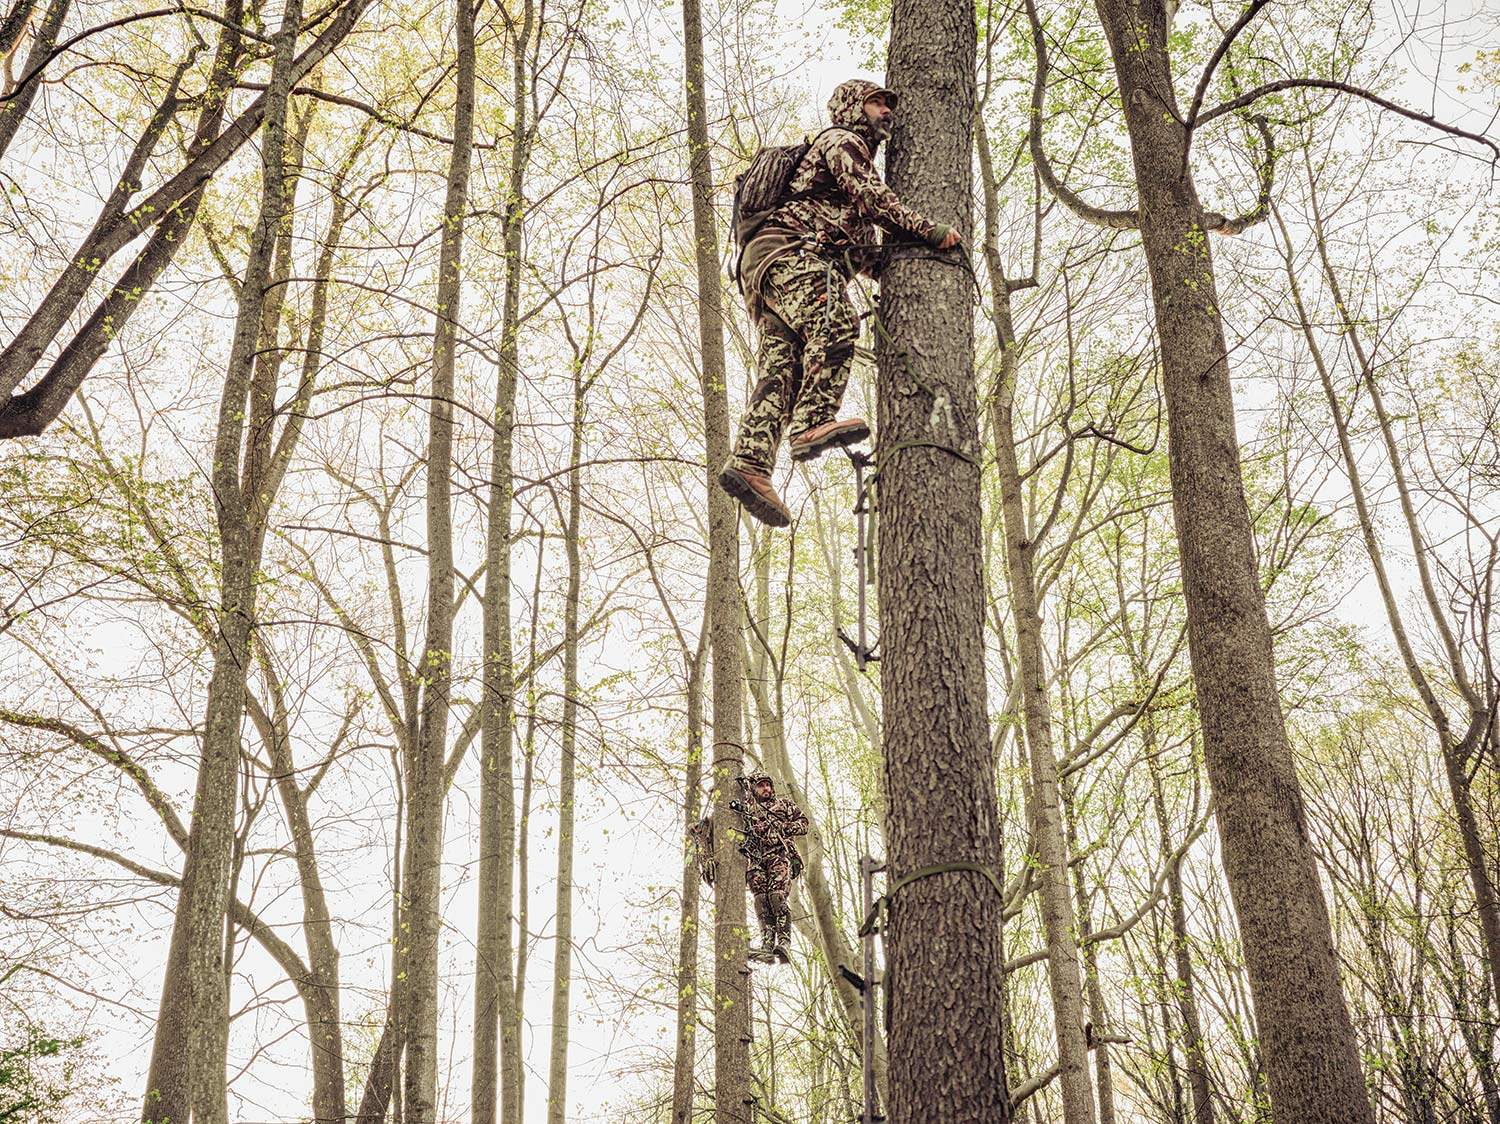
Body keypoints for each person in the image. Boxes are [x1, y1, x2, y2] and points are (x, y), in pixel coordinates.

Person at [718, 78, 963, 528]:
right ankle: (812, 422)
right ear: (853, 107)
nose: (885, 111)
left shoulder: (836, 189)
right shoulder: (841, 140)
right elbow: (874, 197)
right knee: (836, 321)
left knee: (781, 371)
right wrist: (928, 229)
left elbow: (866, 255)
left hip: (768, 269)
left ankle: (751, 464)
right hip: (789, 253)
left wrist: (899, 262)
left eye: (889, 104)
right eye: (876, 103)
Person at [690, 771, 809, 963]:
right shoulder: (747, 808)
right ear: (753, 789)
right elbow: (721, 815)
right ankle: (767, 945)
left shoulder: (783, 805)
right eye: (761, 786)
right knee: (761, 900)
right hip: (756, 858)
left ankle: (784, 942)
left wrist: (782, 828)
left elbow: (804, 824)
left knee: (776, 896)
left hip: (779, 854)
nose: (766, 789)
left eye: (768, 785)